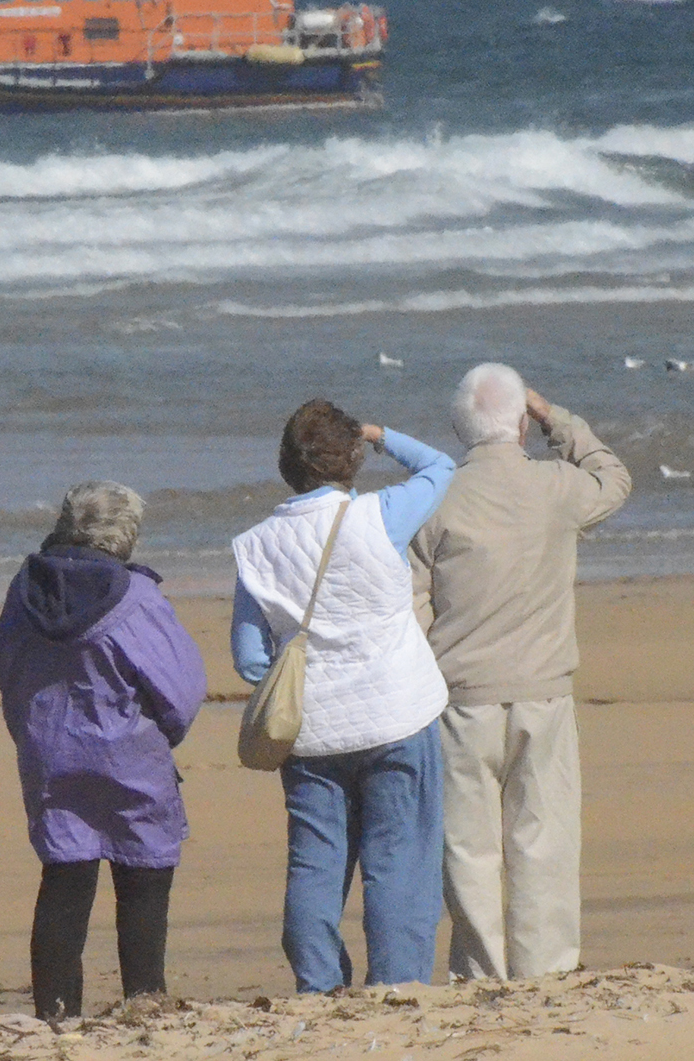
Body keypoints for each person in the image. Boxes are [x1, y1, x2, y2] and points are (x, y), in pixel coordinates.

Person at [410, 364, 631, 981]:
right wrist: (554, 413)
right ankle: (547, 971)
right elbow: (612, 476)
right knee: (546, 840)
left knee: (469, 848)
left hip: (460, 698)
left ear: (460, 428)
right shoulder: (557, 485)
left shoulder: (437, 496)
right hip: (542, 694)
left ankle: (482, 973)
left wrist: (431, 660)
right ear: (521, 424)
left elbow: (411, 598)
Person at [231, 399, 455, 991]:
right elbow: (439, 467)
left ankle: (319, 985)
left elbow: (252, 659)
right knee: (398, 862)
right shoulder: (379, 515)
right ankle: (399, 985)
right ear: (352, 458)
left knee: (315, 863)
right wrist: (384, 434)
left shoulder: (254, 546)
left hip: (309, 731)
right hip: (397, 716)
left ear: (287, 465)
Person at [0, 480, 207, 1020]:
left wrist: (30, 731)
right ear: (125, 533)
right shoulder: (136, 598)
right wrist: (162, 733)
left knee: (64, 881)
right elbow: (181, 690)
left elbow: (7, 665)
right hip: (130, 756)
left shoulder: (24, 589)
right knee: (143, 880)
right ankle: (144, 1004)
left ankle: (57, 1017)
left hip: (51, 752)